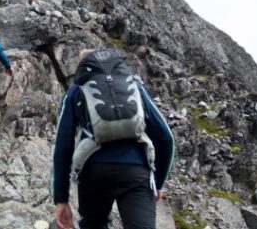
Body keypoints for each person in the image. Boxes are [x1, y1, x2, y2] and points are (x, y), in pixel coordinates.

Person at [51, 48, 174, 229]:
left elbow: (63, 147)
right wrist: (158, 181)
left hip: (94, 171)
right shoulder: (133, 84)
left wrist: (61, 198)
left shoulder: (76, 90)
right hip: (136, 171)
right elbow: (165, 137)